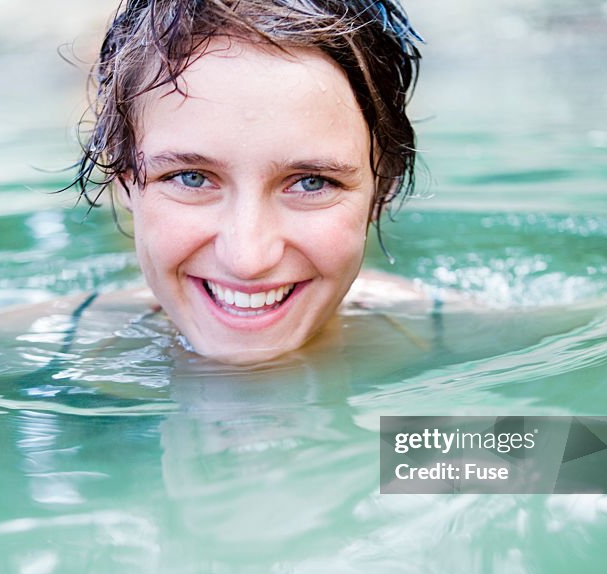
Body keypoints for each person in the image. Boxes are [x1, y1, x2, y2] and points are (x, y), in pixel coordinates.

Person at [71, 0, 425, 365]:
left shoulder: (470, 341)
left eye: (311, 183)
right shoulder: (28, 351)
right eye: (191, 179)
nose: (247, 261)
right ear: (123, 179)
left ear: (382, 189)